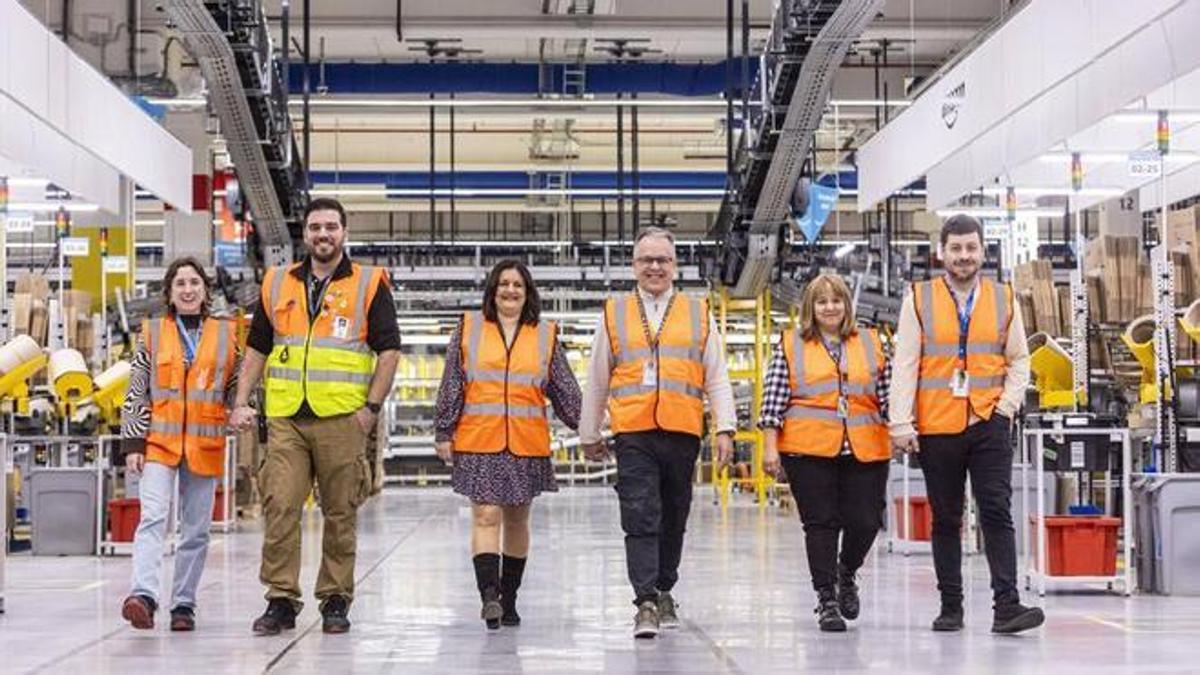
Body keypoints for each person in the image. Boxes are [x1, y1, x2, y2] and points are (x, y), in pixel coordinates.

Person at [229, 197, 401, 635]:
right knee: (280, 504)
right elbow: (257, 349)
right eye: (315, 228)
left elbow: (389, 352)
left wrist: (371, 409)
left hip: (343, 419)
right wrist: (241, 402)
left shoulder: (369, 283)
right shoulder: (276, 283)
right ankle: (281, 599)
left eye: (331, 227)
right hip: (287, 415)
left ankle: (335, 599)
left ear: (343, 232)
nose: (323, 235)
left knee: (340, 512)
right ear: (304, 234)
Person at [890, 214, 1044, 634]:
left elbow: (1019, 360)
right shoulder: (917, 299)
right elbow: (905, 365)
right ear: (942, 252)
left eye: (971, 248)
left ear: (982, 251)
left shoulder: (1003, 297)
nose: (963, 256)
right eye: (955, 248)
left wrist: (1005, 408)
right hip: (937, 424)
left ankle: (1007, 606)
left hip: (988, 420)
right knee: (946, 517)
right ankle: (951, 607)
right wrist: (901, 423)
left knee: (996, 509)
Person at [579, 227, 737, 639]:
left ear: (674, 265)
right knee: (640, 512)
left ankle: (665, 587)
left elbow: (717, 376)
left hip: (682, 430)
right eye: (646, 259)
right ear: (634, 265)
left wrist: (725, 428)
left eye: (663, 259)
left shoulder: (698, 313)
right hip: (633, 431)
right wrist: (588, 432)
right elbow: (597, 376)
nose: (655, 266)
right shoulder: (614, 314)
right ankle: (645, 601)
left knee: (674, 513)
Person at [433, 260, 582, 630]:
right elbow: (452, 382)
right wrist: (443, 431)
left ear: (528, 292)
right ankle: (489, 597)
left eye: (518, 284)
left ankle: (509, 598)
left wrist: (590, 426)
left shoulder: (545, 335)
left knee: (517, 519)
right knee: (486, 515)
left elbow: (565, 390)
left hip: (525, 443)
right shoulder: (468, 329)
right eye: (503, 284)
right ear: (492, 290)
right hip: (479, 439)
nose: (510, 290)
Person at [760, 274, 891, 632]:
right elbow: (772, 401)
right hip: (808, 449)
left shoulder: (870, 342)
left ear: (847, 305)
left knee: (866, 520)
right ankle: (826, 599)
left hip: (865, 447)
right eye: (821, 302)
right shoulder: (791, 344)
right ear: (810, 307)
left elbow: (887, 393)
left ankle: (845, 572)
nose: (829, 308)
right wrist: (771, 447)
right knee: (820, 525)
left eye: (836, 301)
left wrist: (904, 429)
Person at [120, 257, 241, 631]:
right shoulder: (153, 333)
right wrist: (133, 443)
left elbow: (236, 383)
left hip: (204, 444)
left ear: (205, 290)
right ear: (170, 293)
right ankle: (144, 595)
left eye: (194, 283)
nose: (188, 290)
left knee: (196, 529)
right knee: (153, 517)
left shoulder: (226, 333)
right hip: (159, 441)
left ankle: (183, 604)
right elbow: (137, 388)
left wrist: (243, 409)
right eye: (180, 284)